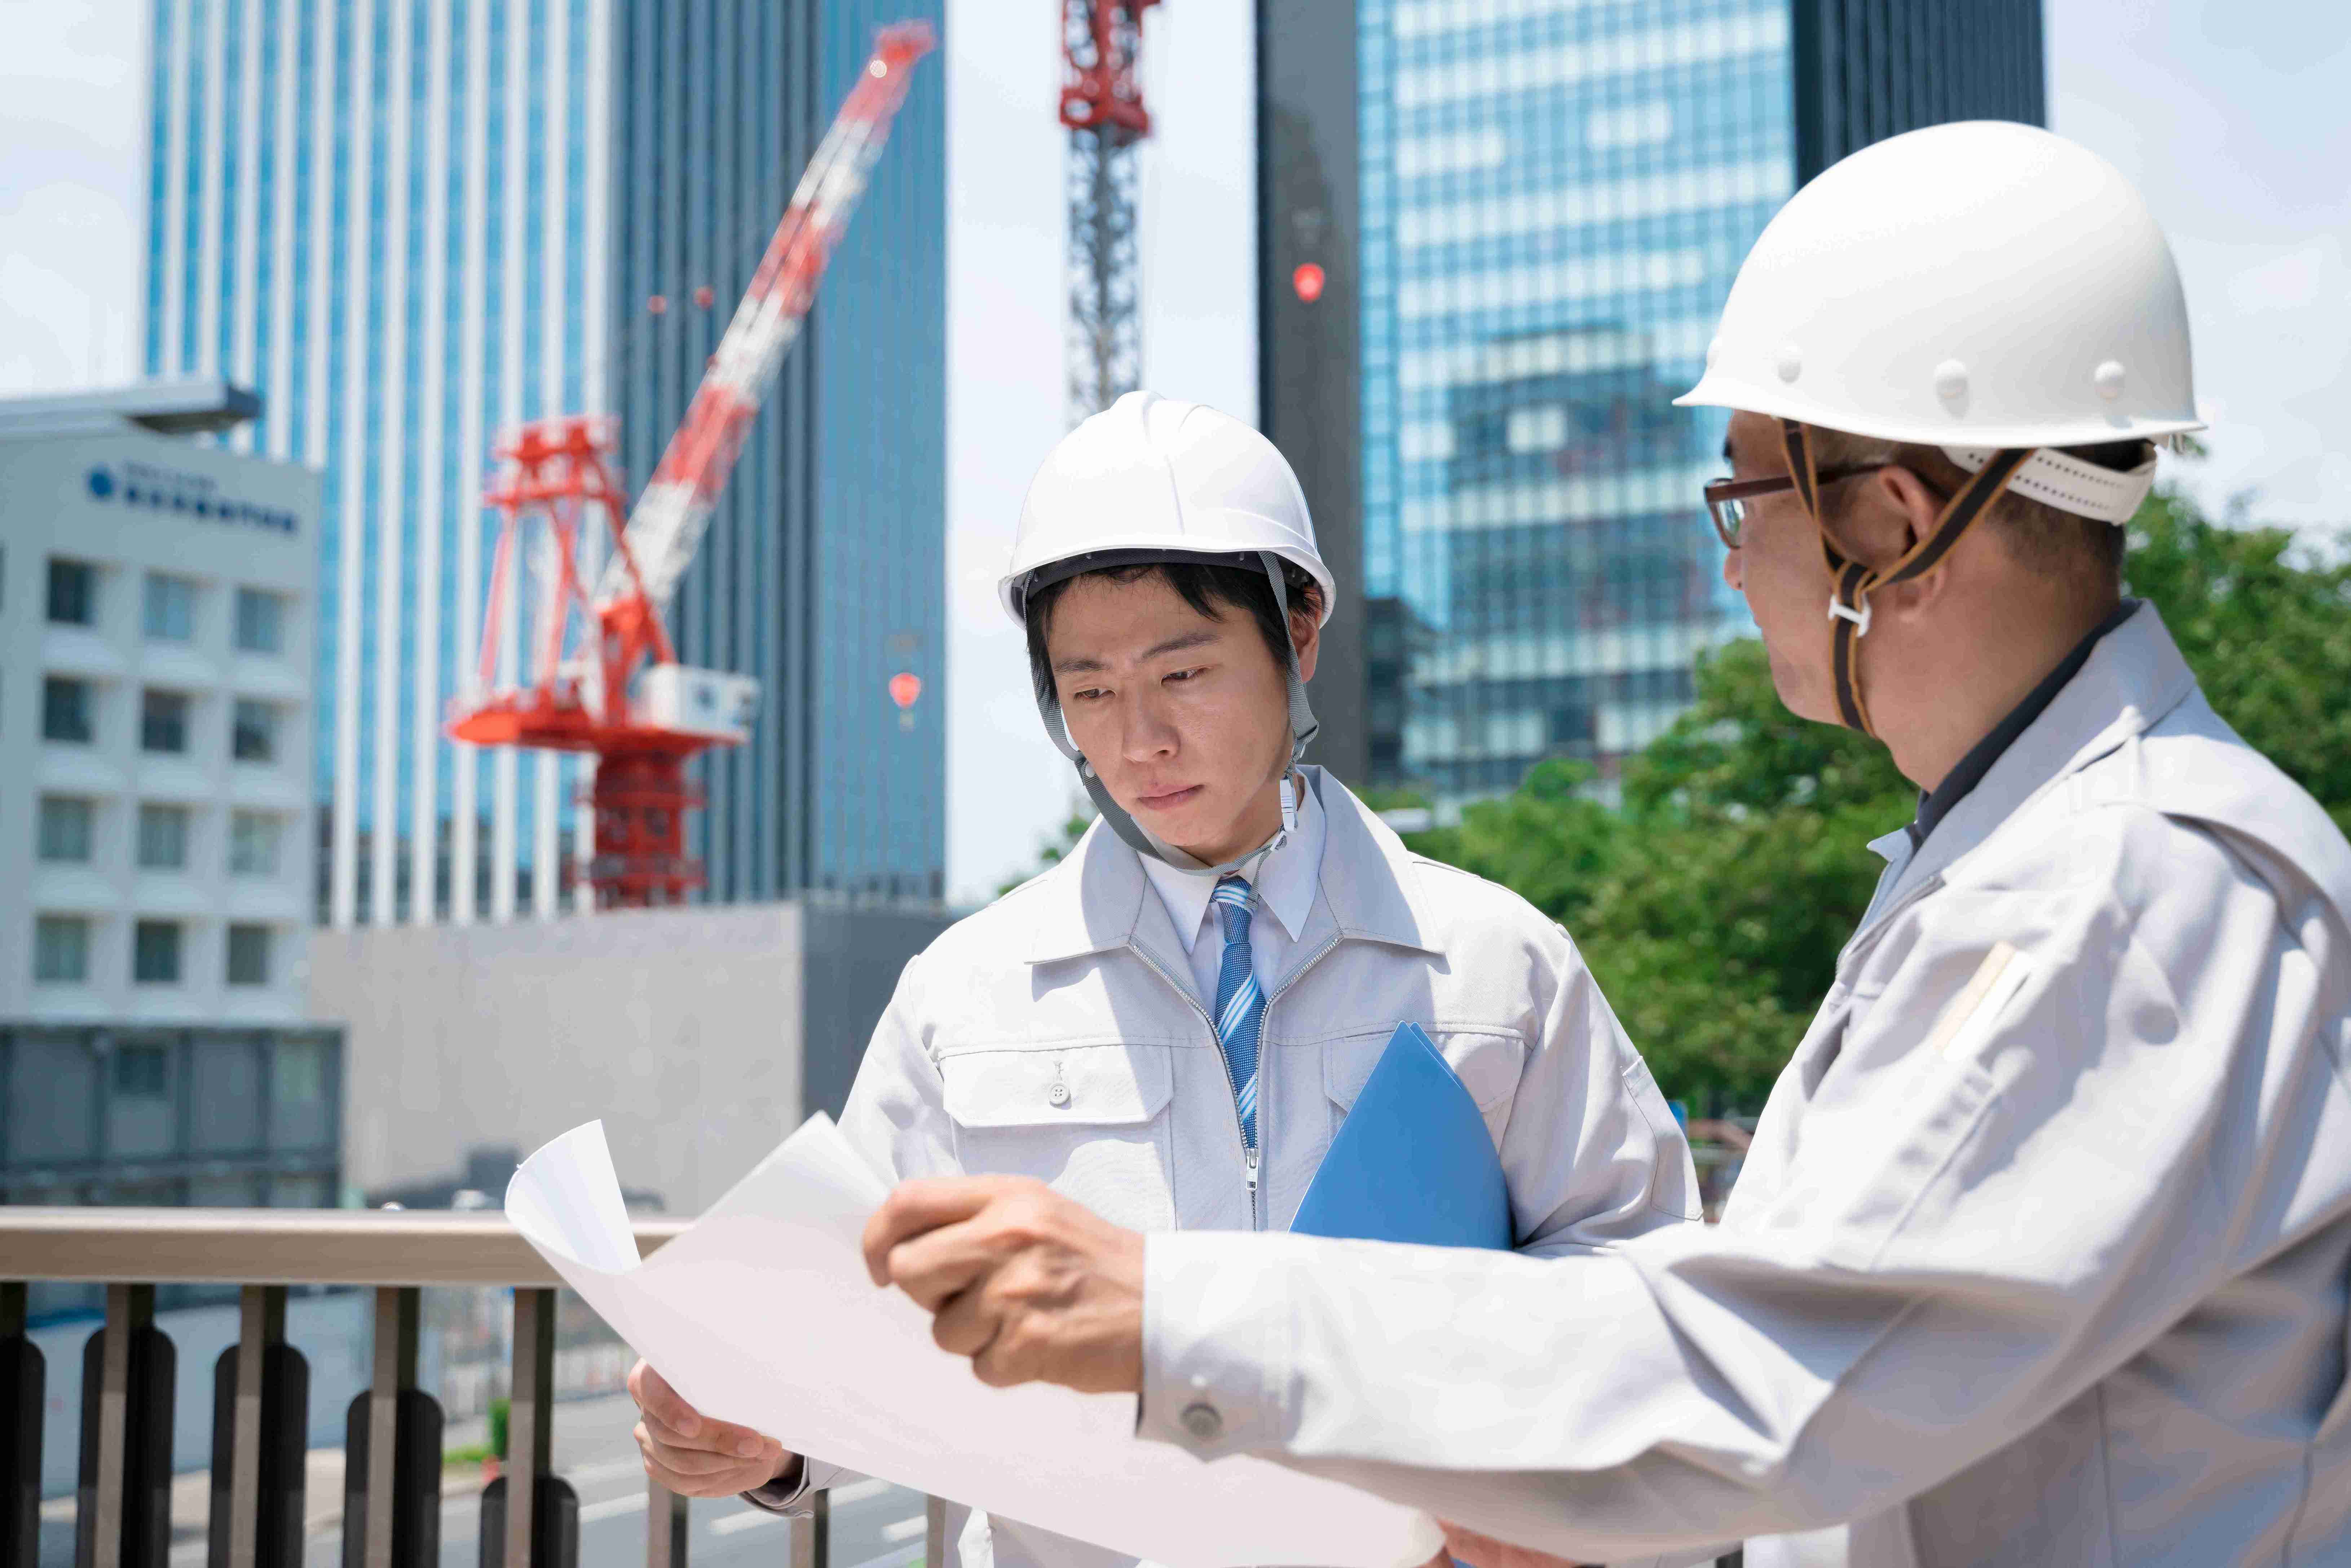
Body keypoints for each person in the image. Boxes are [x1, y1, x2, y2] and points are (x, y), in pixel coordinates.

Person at [858, 123, 2351, 1568]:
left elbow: (1756, 1367)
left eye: (1744, 490)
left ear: (1889, 522)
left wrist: (1175, 1310)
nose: (1731, 553)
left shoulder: (2111, 894)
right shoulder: (2026, 859)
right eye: (1089, 691)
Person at [626, 391, 1699, 1568]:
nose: (1138, 741)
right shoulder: (967, 993)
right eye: (1089, 693)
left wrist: (1502, 1450)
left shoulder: (1496, 961)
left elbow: (1636, 1277)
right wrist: (766, 1436)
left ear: (1300, 632)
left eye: (1183, 675)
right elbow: (869, 1318)